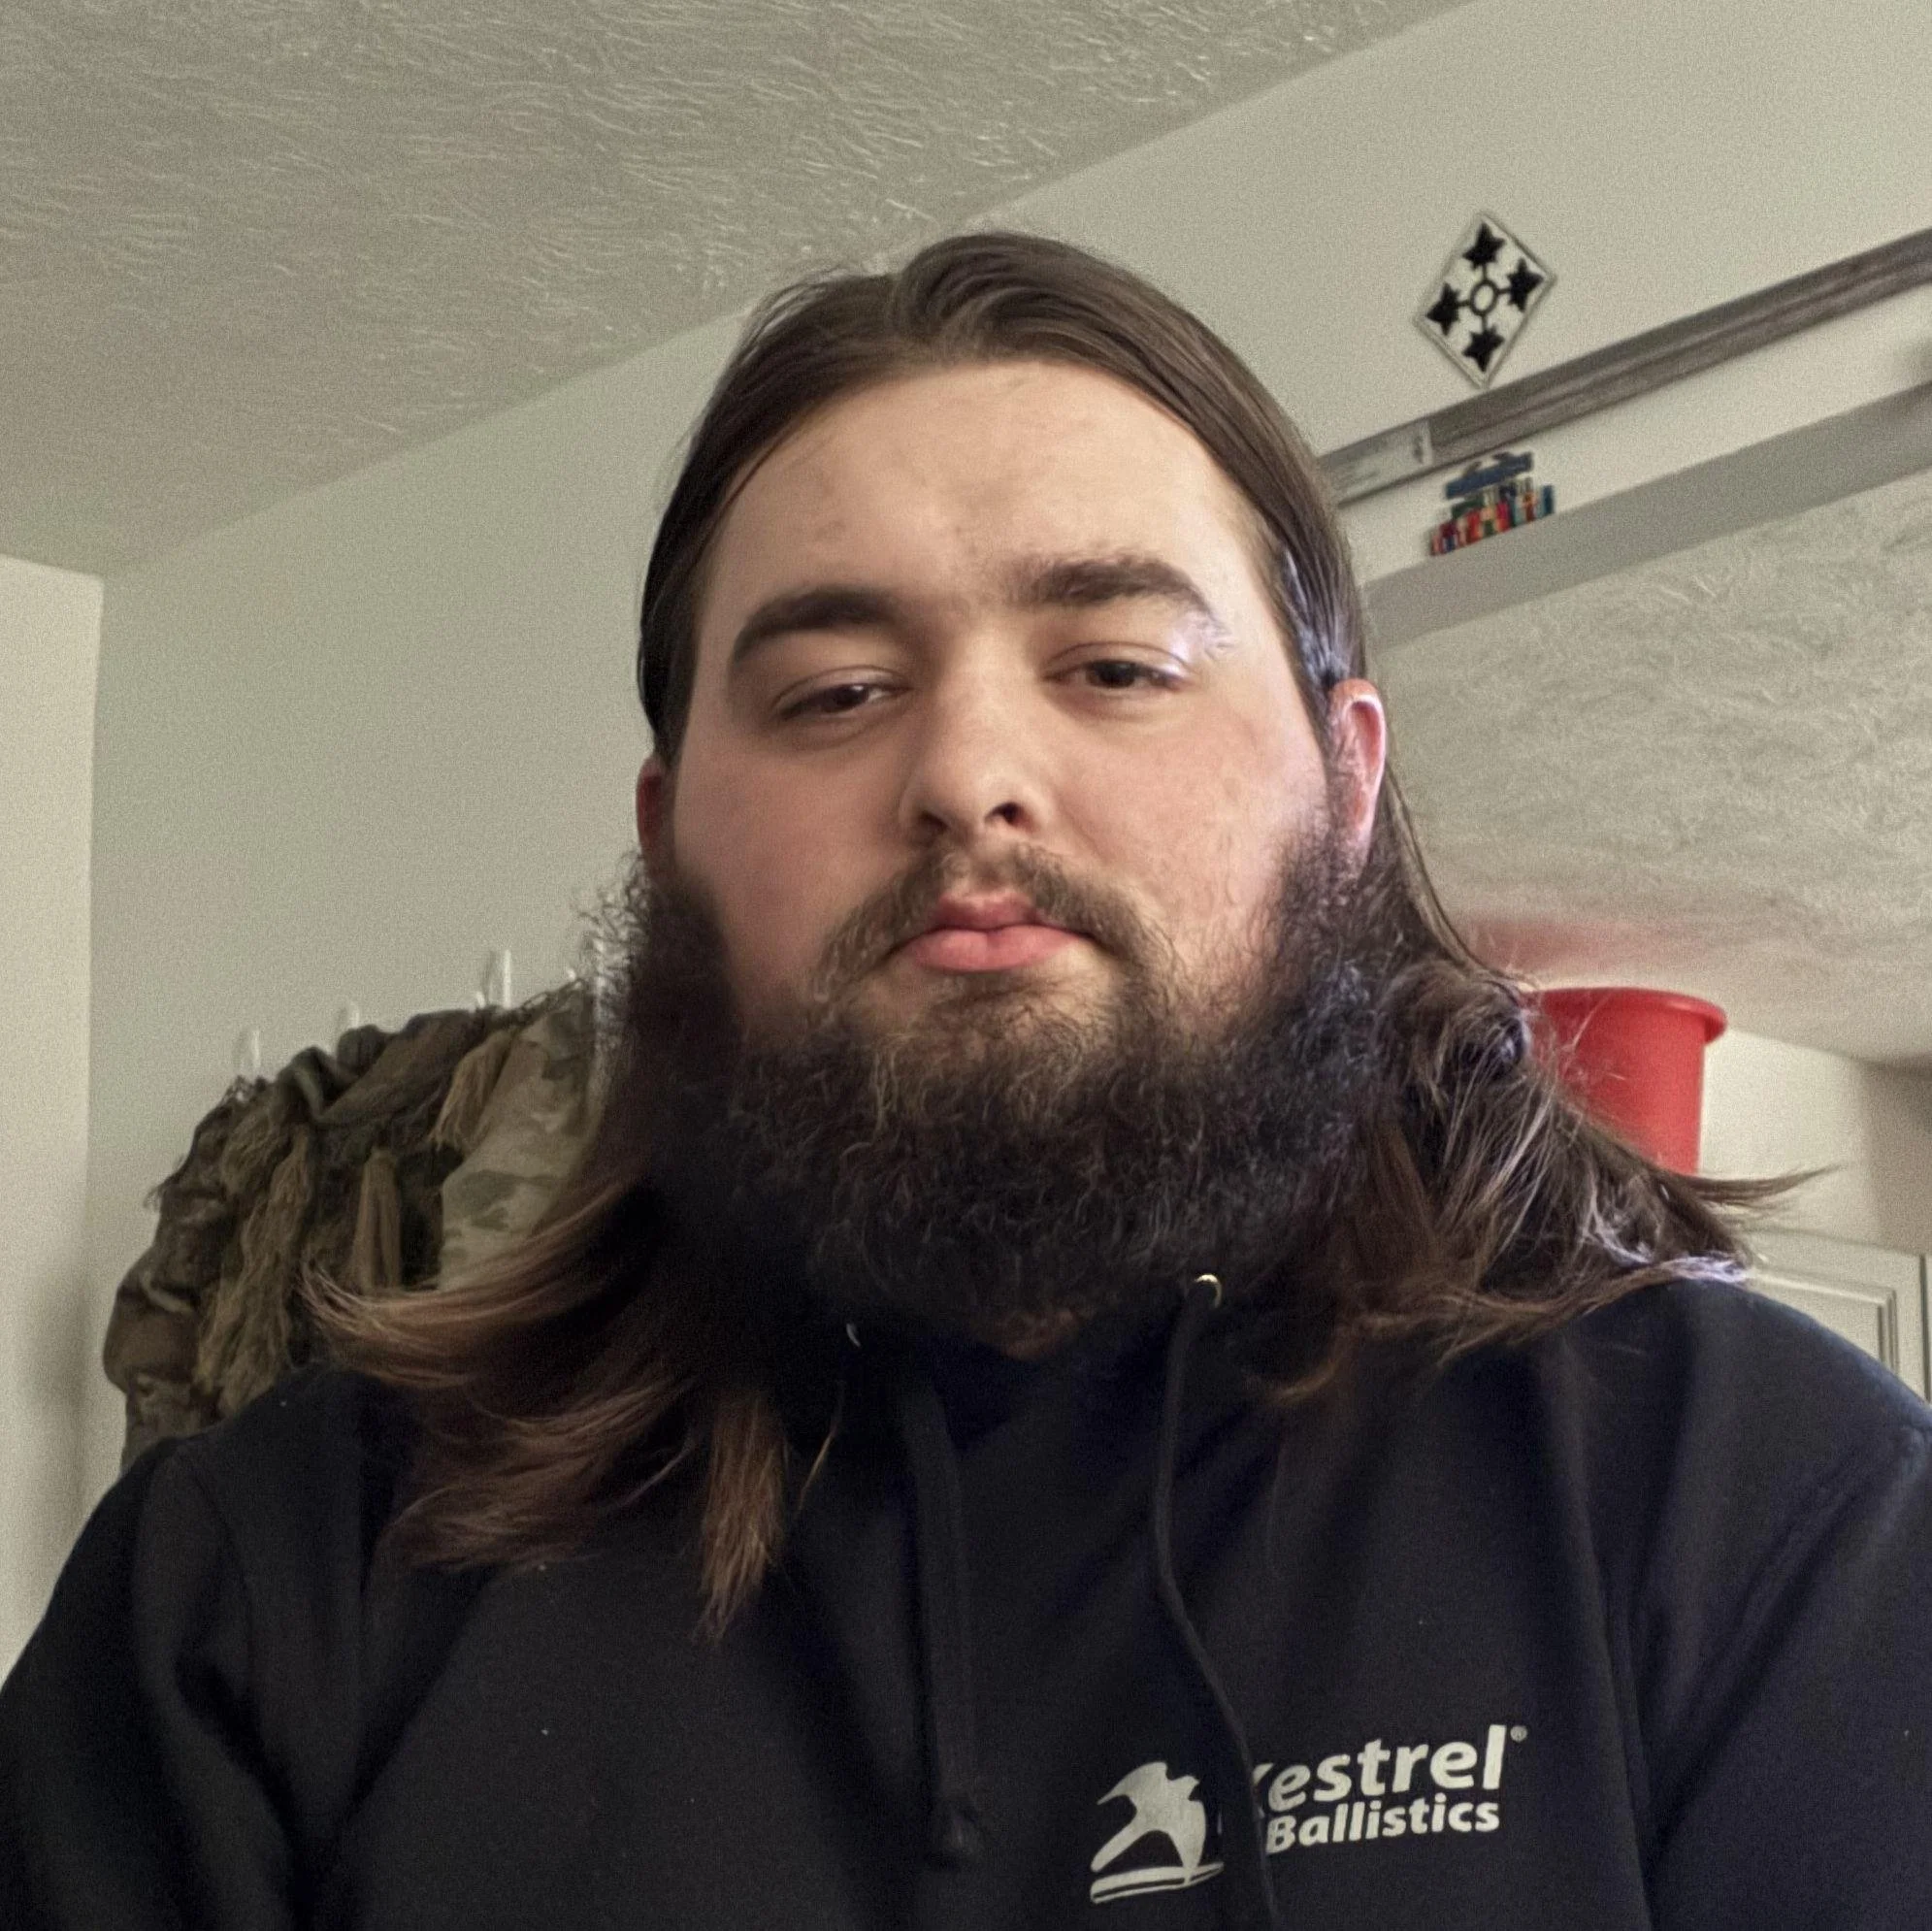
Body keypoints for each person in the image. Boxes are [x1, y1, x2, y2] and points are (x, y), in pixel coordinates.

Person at [4, 231, 1928, 1930]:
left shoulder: (1757, 1510)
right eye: (834, 691)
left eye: (1111, 664)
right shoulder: (250, 1591)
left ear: (1341, 787)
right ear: (673, 846)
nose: (965, 773)